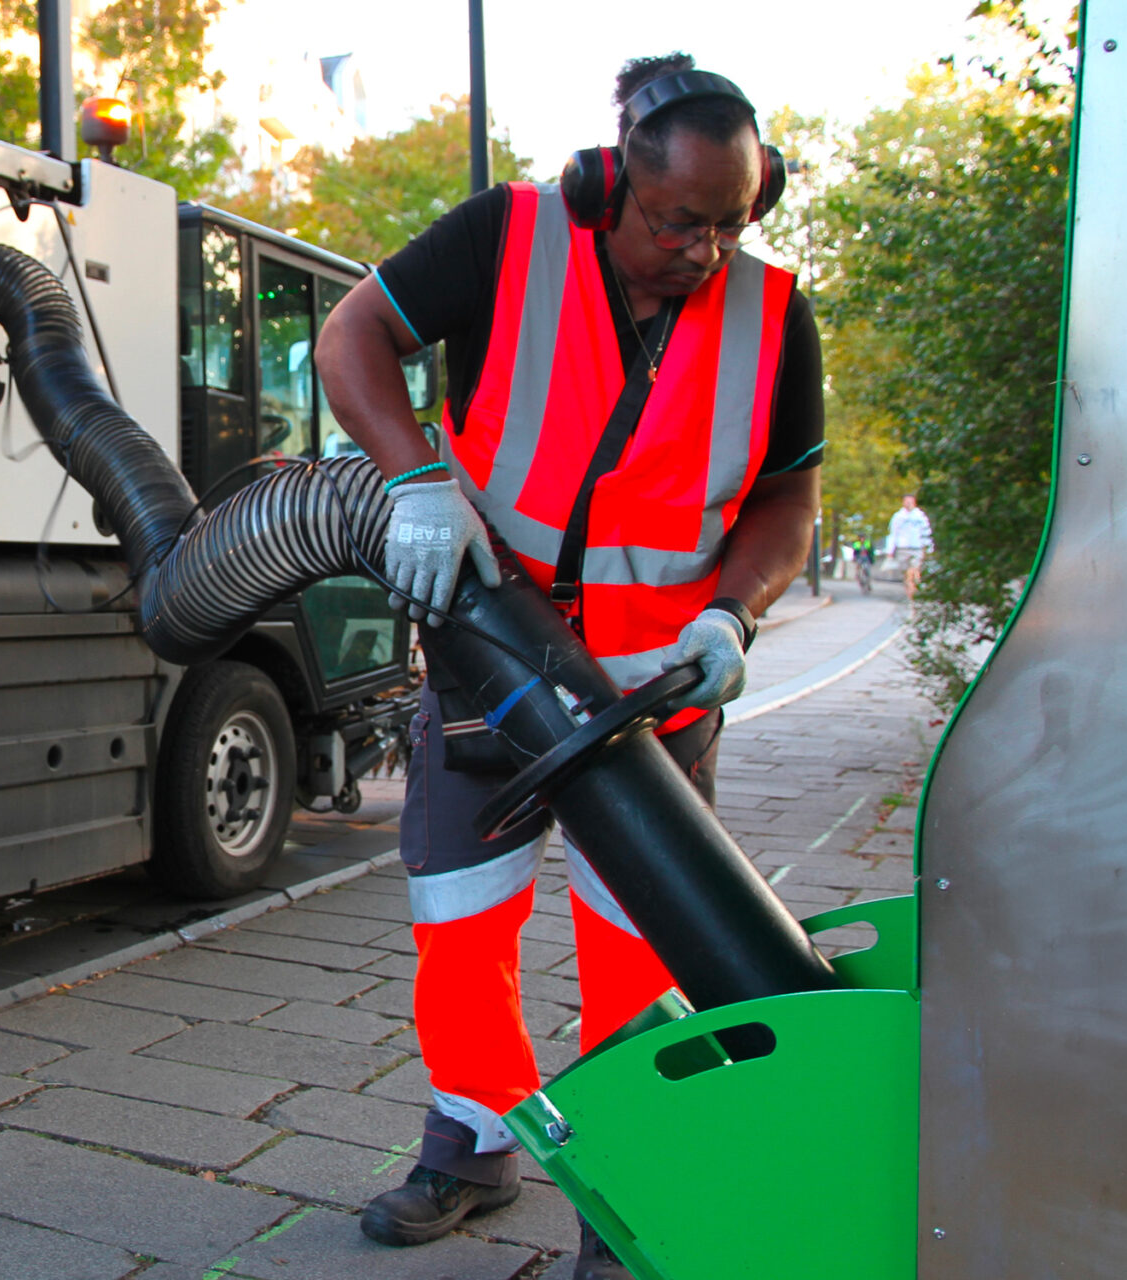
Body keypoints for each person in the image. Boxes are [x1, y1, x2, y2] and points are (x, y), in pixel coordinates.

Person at [313, 54, 824, 1278]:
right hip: (490, 657)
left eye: (726, 224)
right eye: (674, 220)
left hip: (659, 689)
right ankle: (474, 1138)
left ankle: (629, 1179)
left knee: (640, 943)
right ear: (611, 184)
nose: (700, 250)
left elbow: (788, 499)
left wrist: (735, 619)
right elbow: (351, 339)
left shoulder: (772, 311)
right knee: (459, 914)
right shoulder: (510, 239)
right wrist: (417, 476)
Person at [885, 493, 933, 595]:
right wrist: (890, 551)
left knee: (914, 570)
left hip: (917, 547)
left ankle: (914, 591)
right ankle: (910, 592)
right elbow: (893, 534)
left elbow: (926, 532)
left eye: (911, 501)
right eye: (907, 501)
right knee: (906, 573)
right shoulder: (898, 517)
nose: (909, 504)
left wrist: (929, 546)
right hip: (903, 548)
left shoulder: (920, 516)